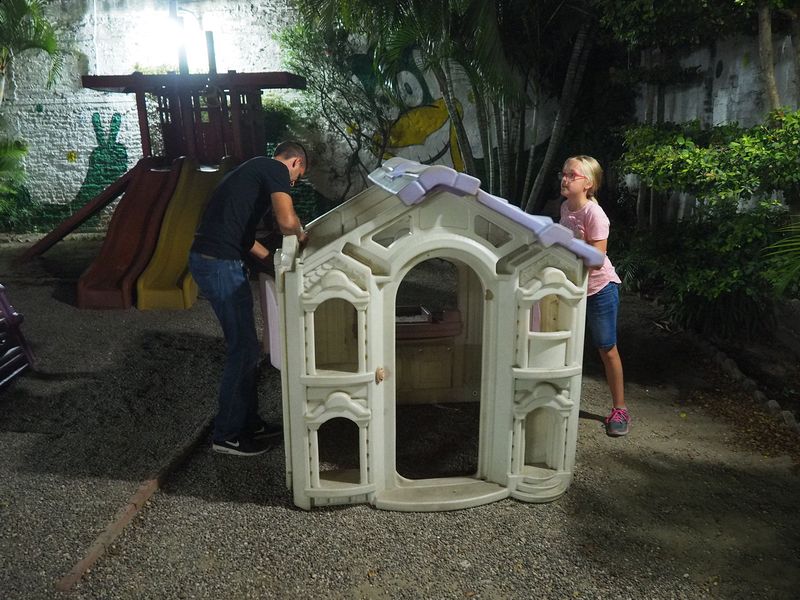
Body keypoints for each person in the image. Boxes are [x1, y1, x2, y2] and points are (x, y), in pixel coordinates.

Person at [189, 141, 309, 456]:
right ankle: (226, 435)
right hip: (219, 264)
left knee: (247, 348)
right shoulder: (273, 168)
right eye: (295, 179)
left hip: (215, 259)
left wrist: (275, 264)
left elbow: (245, 240)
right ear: (295, 162)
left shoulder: (250, 171)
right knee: (242, 348)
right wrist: (301, 232)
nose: (291, 185)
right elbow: (286, 222)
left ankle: (249, 423)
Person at [558, 155, 629, 437]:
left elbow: (597, 258)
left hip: (599, 289)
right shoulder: (565, 207)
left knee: (606, 347)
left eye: (571, 175)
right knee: (565, 342)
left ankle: (620, 409)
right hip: (573, 286)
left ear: (588, 183)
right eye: (563, 174)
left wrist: (568, 246)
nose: (564, 179)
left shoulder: (594, 214)